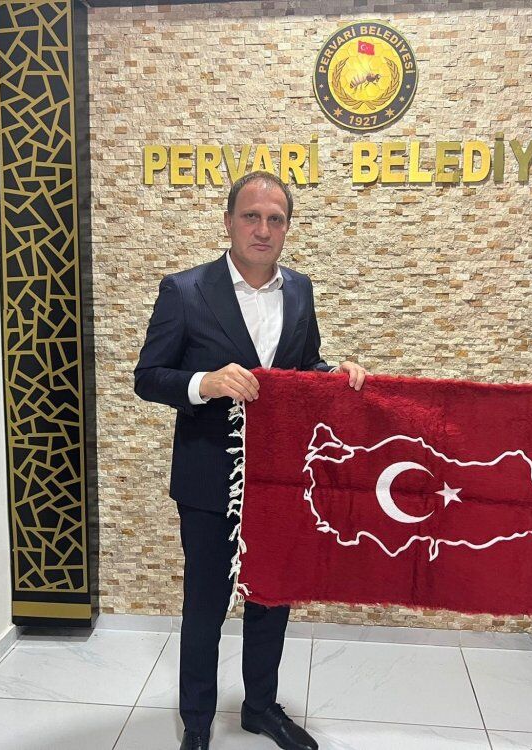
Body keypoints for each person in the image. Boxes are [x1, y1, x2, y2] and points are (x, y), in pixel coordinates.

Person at [134, 171, 367, 750]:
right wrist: (204, 383)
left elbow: (303, 366)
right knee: (204, 607)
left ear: (287, 228)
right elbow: (148, 377)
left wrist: (335, 376)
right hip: (207, 477)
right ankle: (196, 720)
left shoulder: (301, 290)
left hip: (281, 478)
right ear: (229, 221)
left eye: (275, 219)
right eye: (251, 216)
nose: (263, 229)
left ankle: (260, 708)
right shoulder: (185, 290)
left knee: (271, 599)